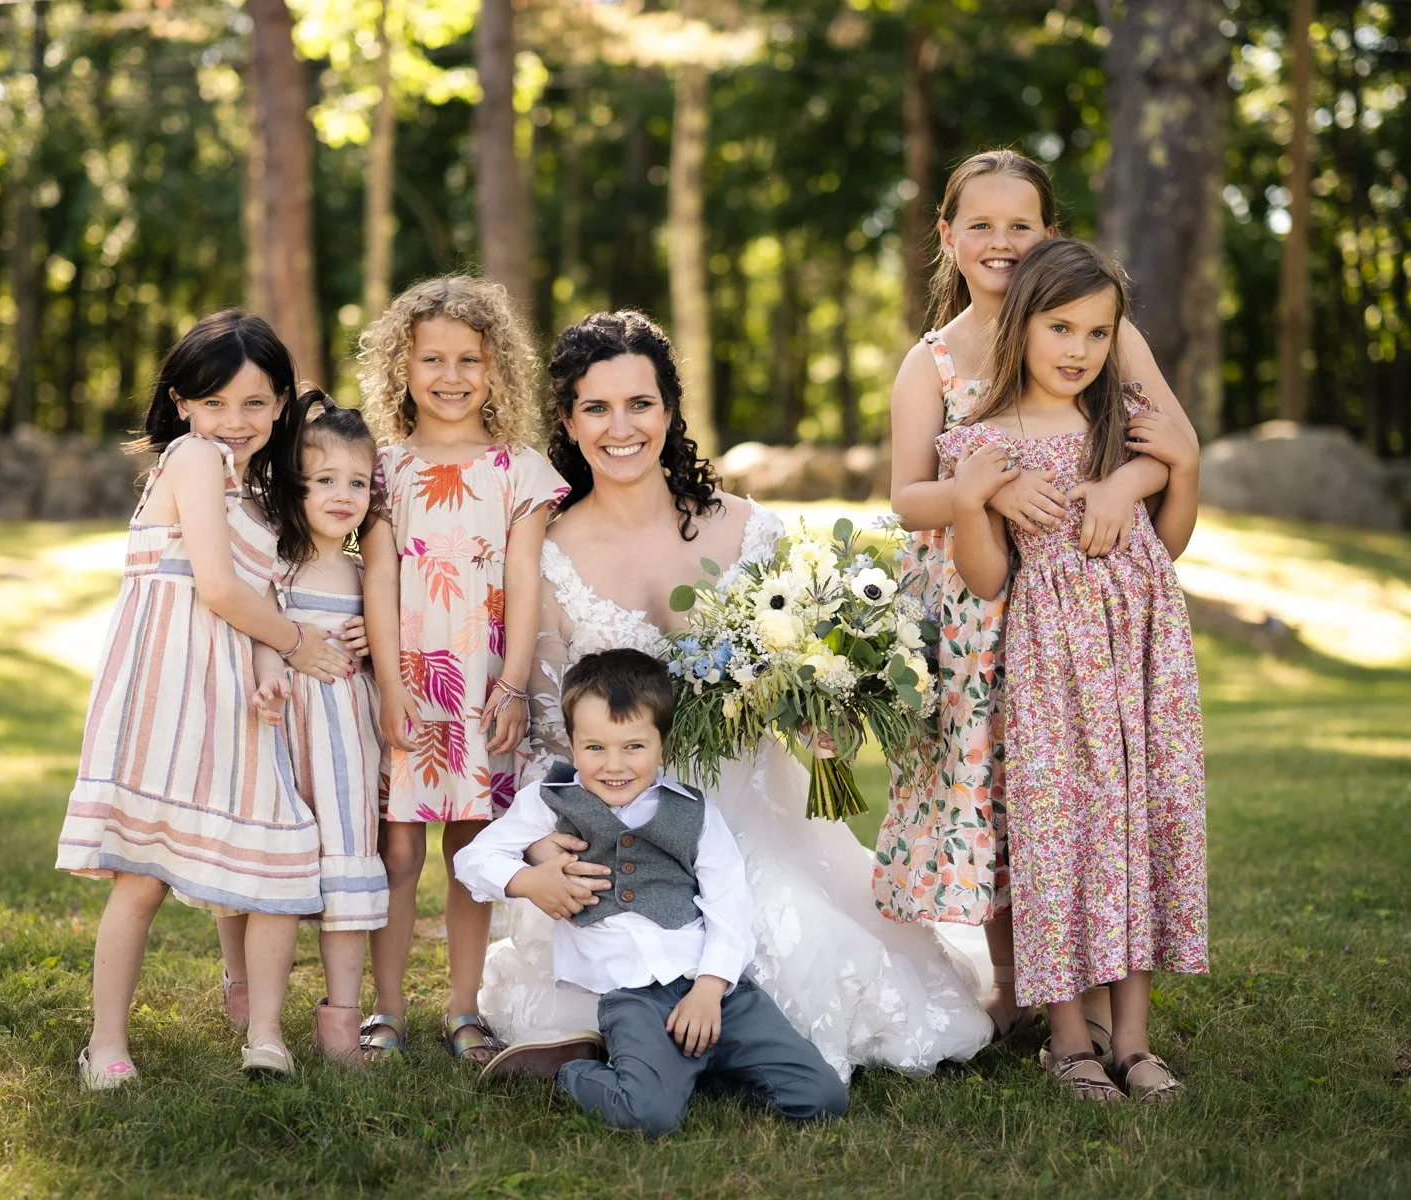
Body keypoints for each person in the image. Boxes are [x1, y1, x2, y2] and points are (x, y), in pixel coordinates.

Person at [478, 310, 993, 1081]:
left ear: (671, 408)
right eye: (597, 407)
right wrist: (544, 842)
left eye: (640, 404)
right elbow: (551, 735)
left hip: (752, 813)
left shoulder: (752, 532)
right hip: (623, 824)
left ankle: (668, 1037)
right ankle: (626, 1032)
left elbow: (810, 661)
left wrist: (826, 713)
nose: (622, 428)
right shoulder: (545, 553)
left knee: (809, 956)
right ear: (567, 419)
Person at [876, 148, 1198, 1051]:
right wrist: (990, 491)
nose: (1001, 241)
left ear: (1050, 234)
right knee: (998, 792)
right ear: (947, 236)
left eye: (1022, 225)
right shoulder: (933, 362)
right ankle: (1020, 988)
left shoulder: (1101, 330)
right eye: (979, 224)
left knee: (1081, 785)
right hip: (979, 604)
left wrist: (1127, 487)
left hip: (1082, 603)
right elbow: (907, 497)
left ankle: (1094, 996)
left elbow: (1166, 439)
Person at [56, 311, 355, 1087]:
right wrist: (297, 644)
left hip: (233, 695)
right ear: (183, 404)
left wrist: (268, 661)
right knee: (142, 874)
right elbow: (218, 588)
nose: (234, 421)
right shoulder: (190, 459)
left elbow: (256, 594)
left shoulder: (260, 490)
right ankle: (107, 1043)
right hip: (167, 688)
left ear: (284, 403)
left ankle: (264, 1033)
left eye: (254, 404)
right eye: (214, 402)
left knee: (277, 850)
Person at [943, 238, 1207, 1103]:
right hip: (1052, 669)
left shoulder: (1123, 424)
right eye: (1061, 327)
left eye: (1098, 333)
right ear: (1020, 325)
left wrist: (1142, 481)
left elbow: (1167, 544)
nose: (1079, 350)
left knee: (1133, 831)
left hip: (1143, 663)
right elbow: (987, 578)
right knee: (1057, 842)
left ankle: (1132, 1041)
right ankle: (1068, 1040)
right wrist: (976, 499)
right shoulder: (980, 441)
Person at [454, 650, 849, 1137]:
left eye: (633, 747)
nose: (614, 765)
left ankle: (689, 1071)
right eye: (594, 747)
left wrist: (710, 987)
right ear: (571, 743)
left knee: (823, 1098)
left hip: (717, 991)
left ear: (662, 744)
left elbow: (729, 905)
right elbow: (471, 860)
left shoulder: (695, 813)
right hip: (632, 996)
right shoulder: (547, 802)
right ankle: (570, 1071)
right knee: (649, 1116)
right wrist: (529, 880)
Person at [358, 276, 570, 1063]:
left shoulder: (521, 469)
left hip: (484, 685)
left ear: (496, 368)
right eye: (432, 360)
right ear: (402, 368)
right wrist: (386, 685)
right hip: (407, 685)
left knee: (473, 850)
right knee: (400, 853)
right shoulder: (383, 469)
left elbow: (523, 582)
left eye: (470, 360)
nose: (451, 377)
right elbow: (378, 577)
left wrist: (512, 684)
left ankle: (462, 1008)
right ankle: (385, 1010)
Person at [247, 388, 390, 1065]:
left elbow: (387, 644)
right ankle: (260, 1021)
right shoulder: (279, 561)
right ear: (294, 486)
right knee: (273, 878)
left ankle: (341, 1025)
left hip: (344, 743)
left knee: (347, 873)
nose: (343, 494)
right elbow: (256, 624)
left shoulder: (367, 573)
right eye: (324, 479)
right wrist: (271, 663)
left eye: (357, 481)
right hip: (283, 730)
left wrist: (372, 636)